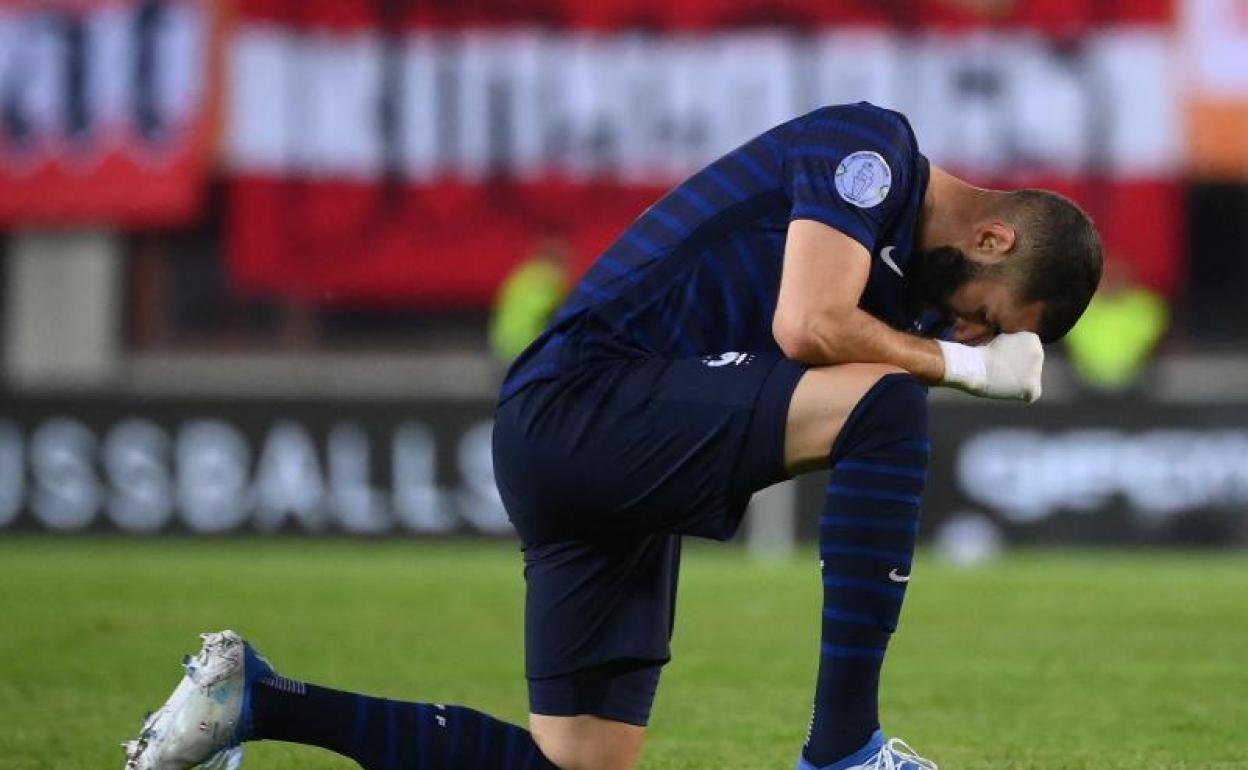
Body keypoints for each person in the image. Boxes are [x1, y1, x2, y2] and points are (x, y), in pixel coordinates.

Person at [124, 102, 1102, 770]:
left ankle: (255, 699)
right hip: (582, 399)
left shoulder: (902, 293)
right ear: (993, 239)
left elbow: (841, 340)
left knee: (578, 761)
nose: (968, 332)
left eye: (981, 334)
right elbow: (806, 325)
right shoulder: (873, 149)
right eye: (989, 315)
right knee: (888, 398)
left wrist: (948, 354)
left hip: (602, 446)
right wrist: (969, 368)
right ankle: (845, 747)